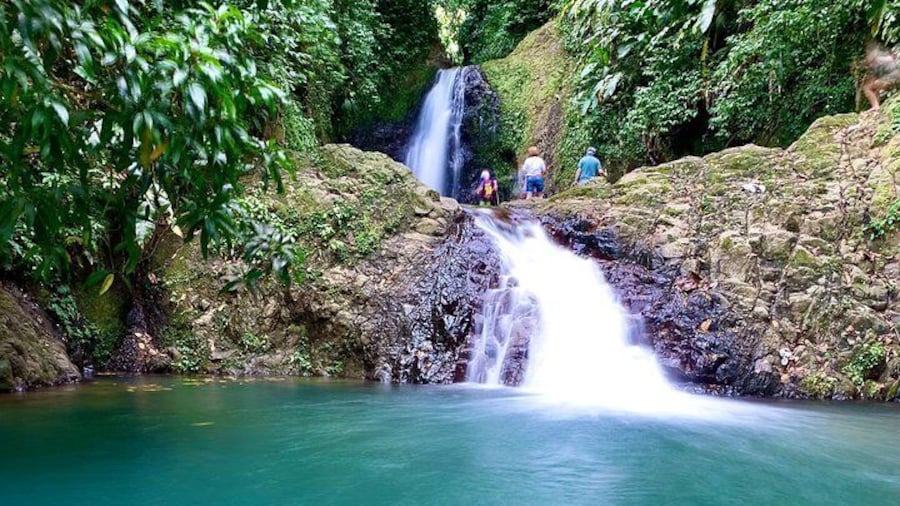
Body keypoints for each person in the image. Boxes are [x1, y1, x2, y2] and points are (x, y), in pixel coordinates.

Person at [862, 45, 900, 110]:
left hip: (893, 77)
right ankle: (876, 106)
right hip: (893, 77)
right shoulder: (880, 61)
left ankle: (876, 106)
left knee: (867, 88)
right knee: (873, 87)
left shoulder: (879, 61)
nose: (870, 65)